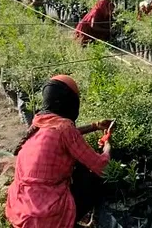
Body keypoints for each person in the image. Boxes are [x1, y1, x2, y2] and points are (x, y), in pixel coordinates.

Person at [6, 75, 113, 228]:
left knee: (77, 167)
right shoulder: (65, 129)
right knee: (96, 179)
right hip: (46, 215)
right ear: (70, 101)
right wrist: (108, 144)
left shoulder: (38, 123)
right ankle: (75, 220)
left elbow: (63, 133)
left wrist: (95, 125)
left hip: (21, 210)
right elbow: (102, 167)